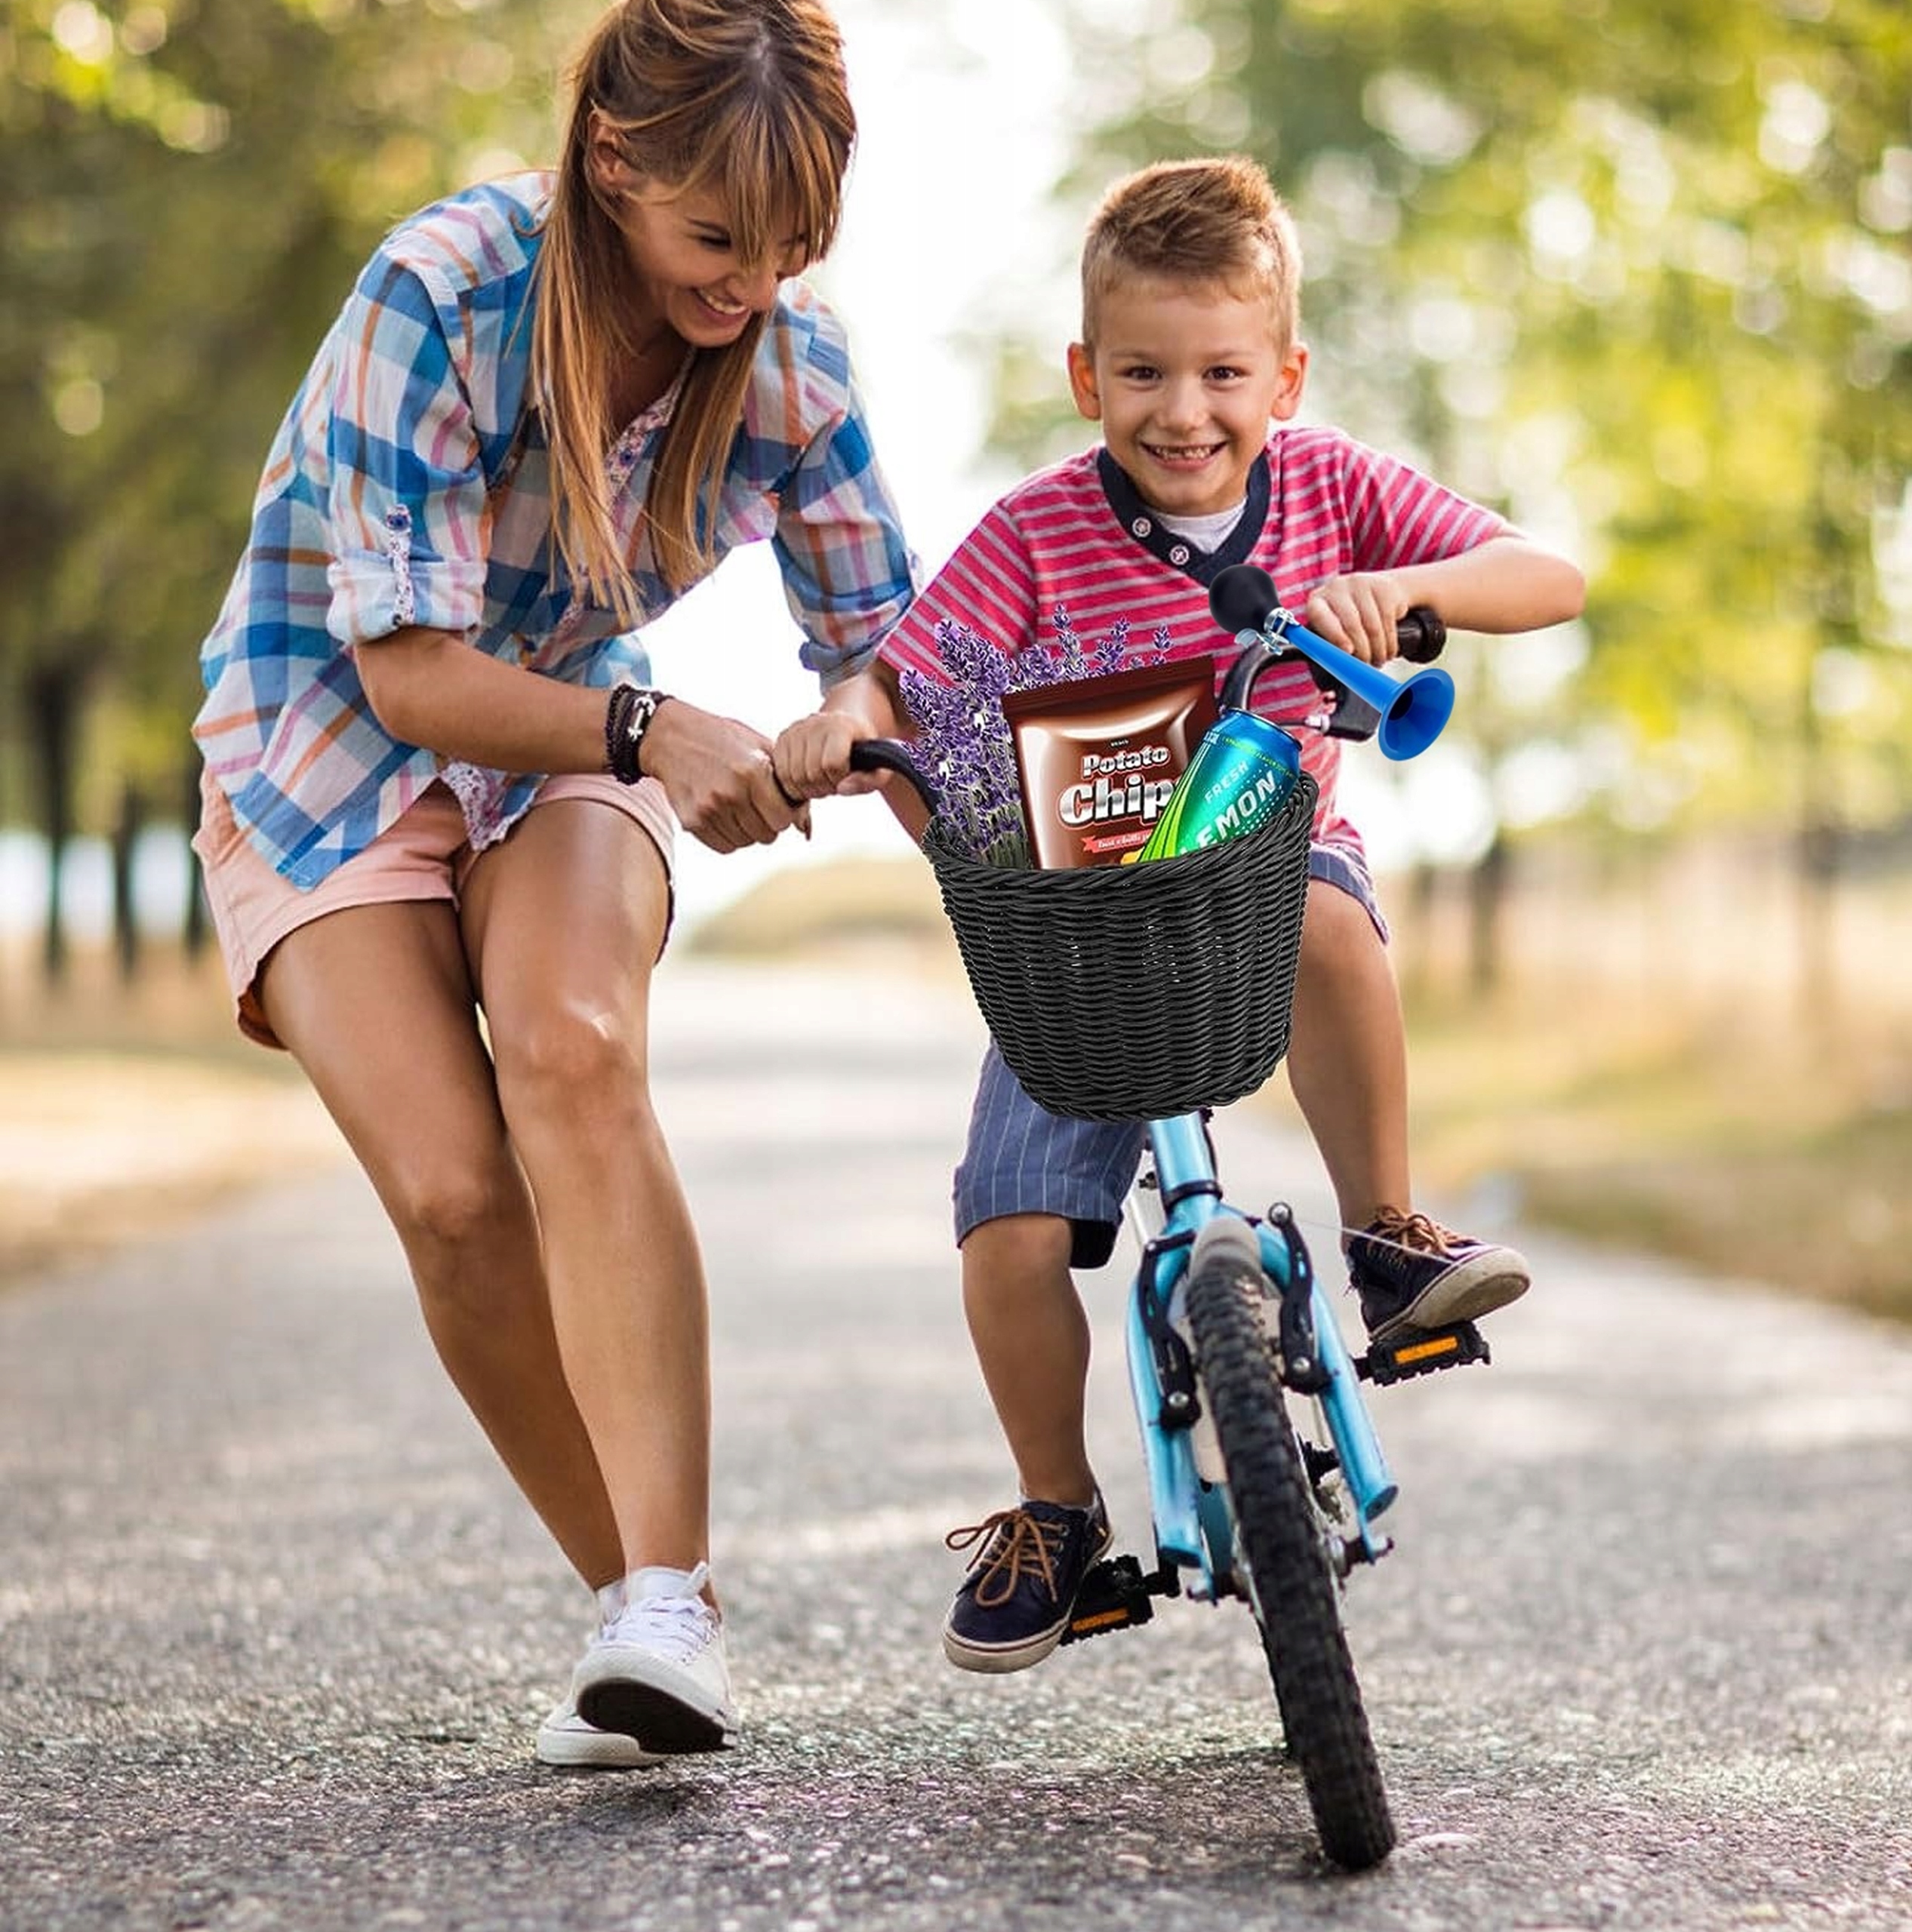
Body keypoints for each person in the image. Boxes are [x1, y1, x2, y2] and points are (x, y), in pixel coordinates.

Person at [192, 0, 915, 1766]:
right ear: (613, 160)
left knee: (573, 1042)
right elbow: (412, 678)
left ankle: (664, 1602)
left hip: (565, 751)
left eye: (791, 244)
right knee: (450, 1191)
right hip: (326, 743)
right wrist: (657, 724)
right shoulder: (441, 290)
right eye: (715, 240)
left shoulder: (790, 368)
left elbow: (890, 650)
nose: (748, 286)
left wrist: (866, 739)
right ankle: (644, 1611)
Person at [772, 155, 1587, 1673]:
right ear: (1086, 377)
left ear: (1283, 374)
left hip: (1265, 878)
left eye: (1222, 372)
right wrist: (842, 717)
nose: (1182, 409)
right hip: (1076, 928)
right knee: (1005, 1231)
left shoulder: (1335, 489)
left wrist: (1397, 588)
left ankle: (1386, 1238)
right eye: (1141, 371)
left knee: (1335, 921)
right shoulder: (1031, 530)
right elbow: (904, 671)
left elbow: (1546, 574)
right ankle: (1055, 1514)